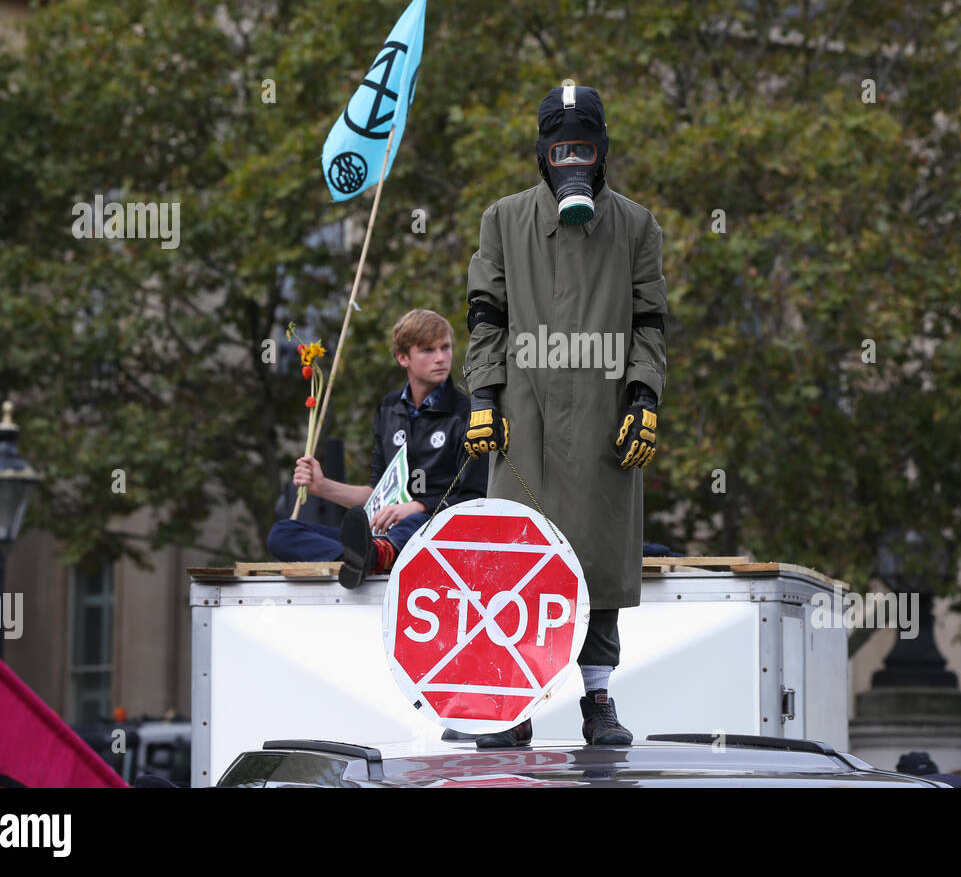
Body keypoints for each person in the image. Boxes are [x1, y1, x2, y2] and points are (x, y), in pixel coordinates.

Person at [462, 82, 668, 748]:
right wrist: (484, 397)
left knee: (600, 563)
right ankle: (511, 700)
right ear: (543, 153)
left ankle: (598, 700)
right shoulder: (501, 219)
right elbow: (484, 317)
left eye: (584, 147)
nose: (572, 159)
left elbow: (650, 324)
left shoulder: (637, 225)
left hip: (605, 417)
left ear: (602, 150)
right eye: (561, 148)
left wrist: (643, 399)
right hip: (525, 421)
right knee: (515, 558)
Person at [267, 309, 486, 587]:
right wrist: (321, 486)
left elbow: (475, 500)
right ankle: (367, 558)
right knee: (282, 533)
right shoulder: (388, 408)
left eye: (445, 348)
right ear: (403, 357)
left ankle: (376, 554)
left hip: (433, 534)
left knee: (414, 522)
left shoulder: (468, 413)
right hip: (382, 536)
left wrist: (417, 506)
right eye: (428, 350)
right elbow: (377, 494)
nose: (441, 358)